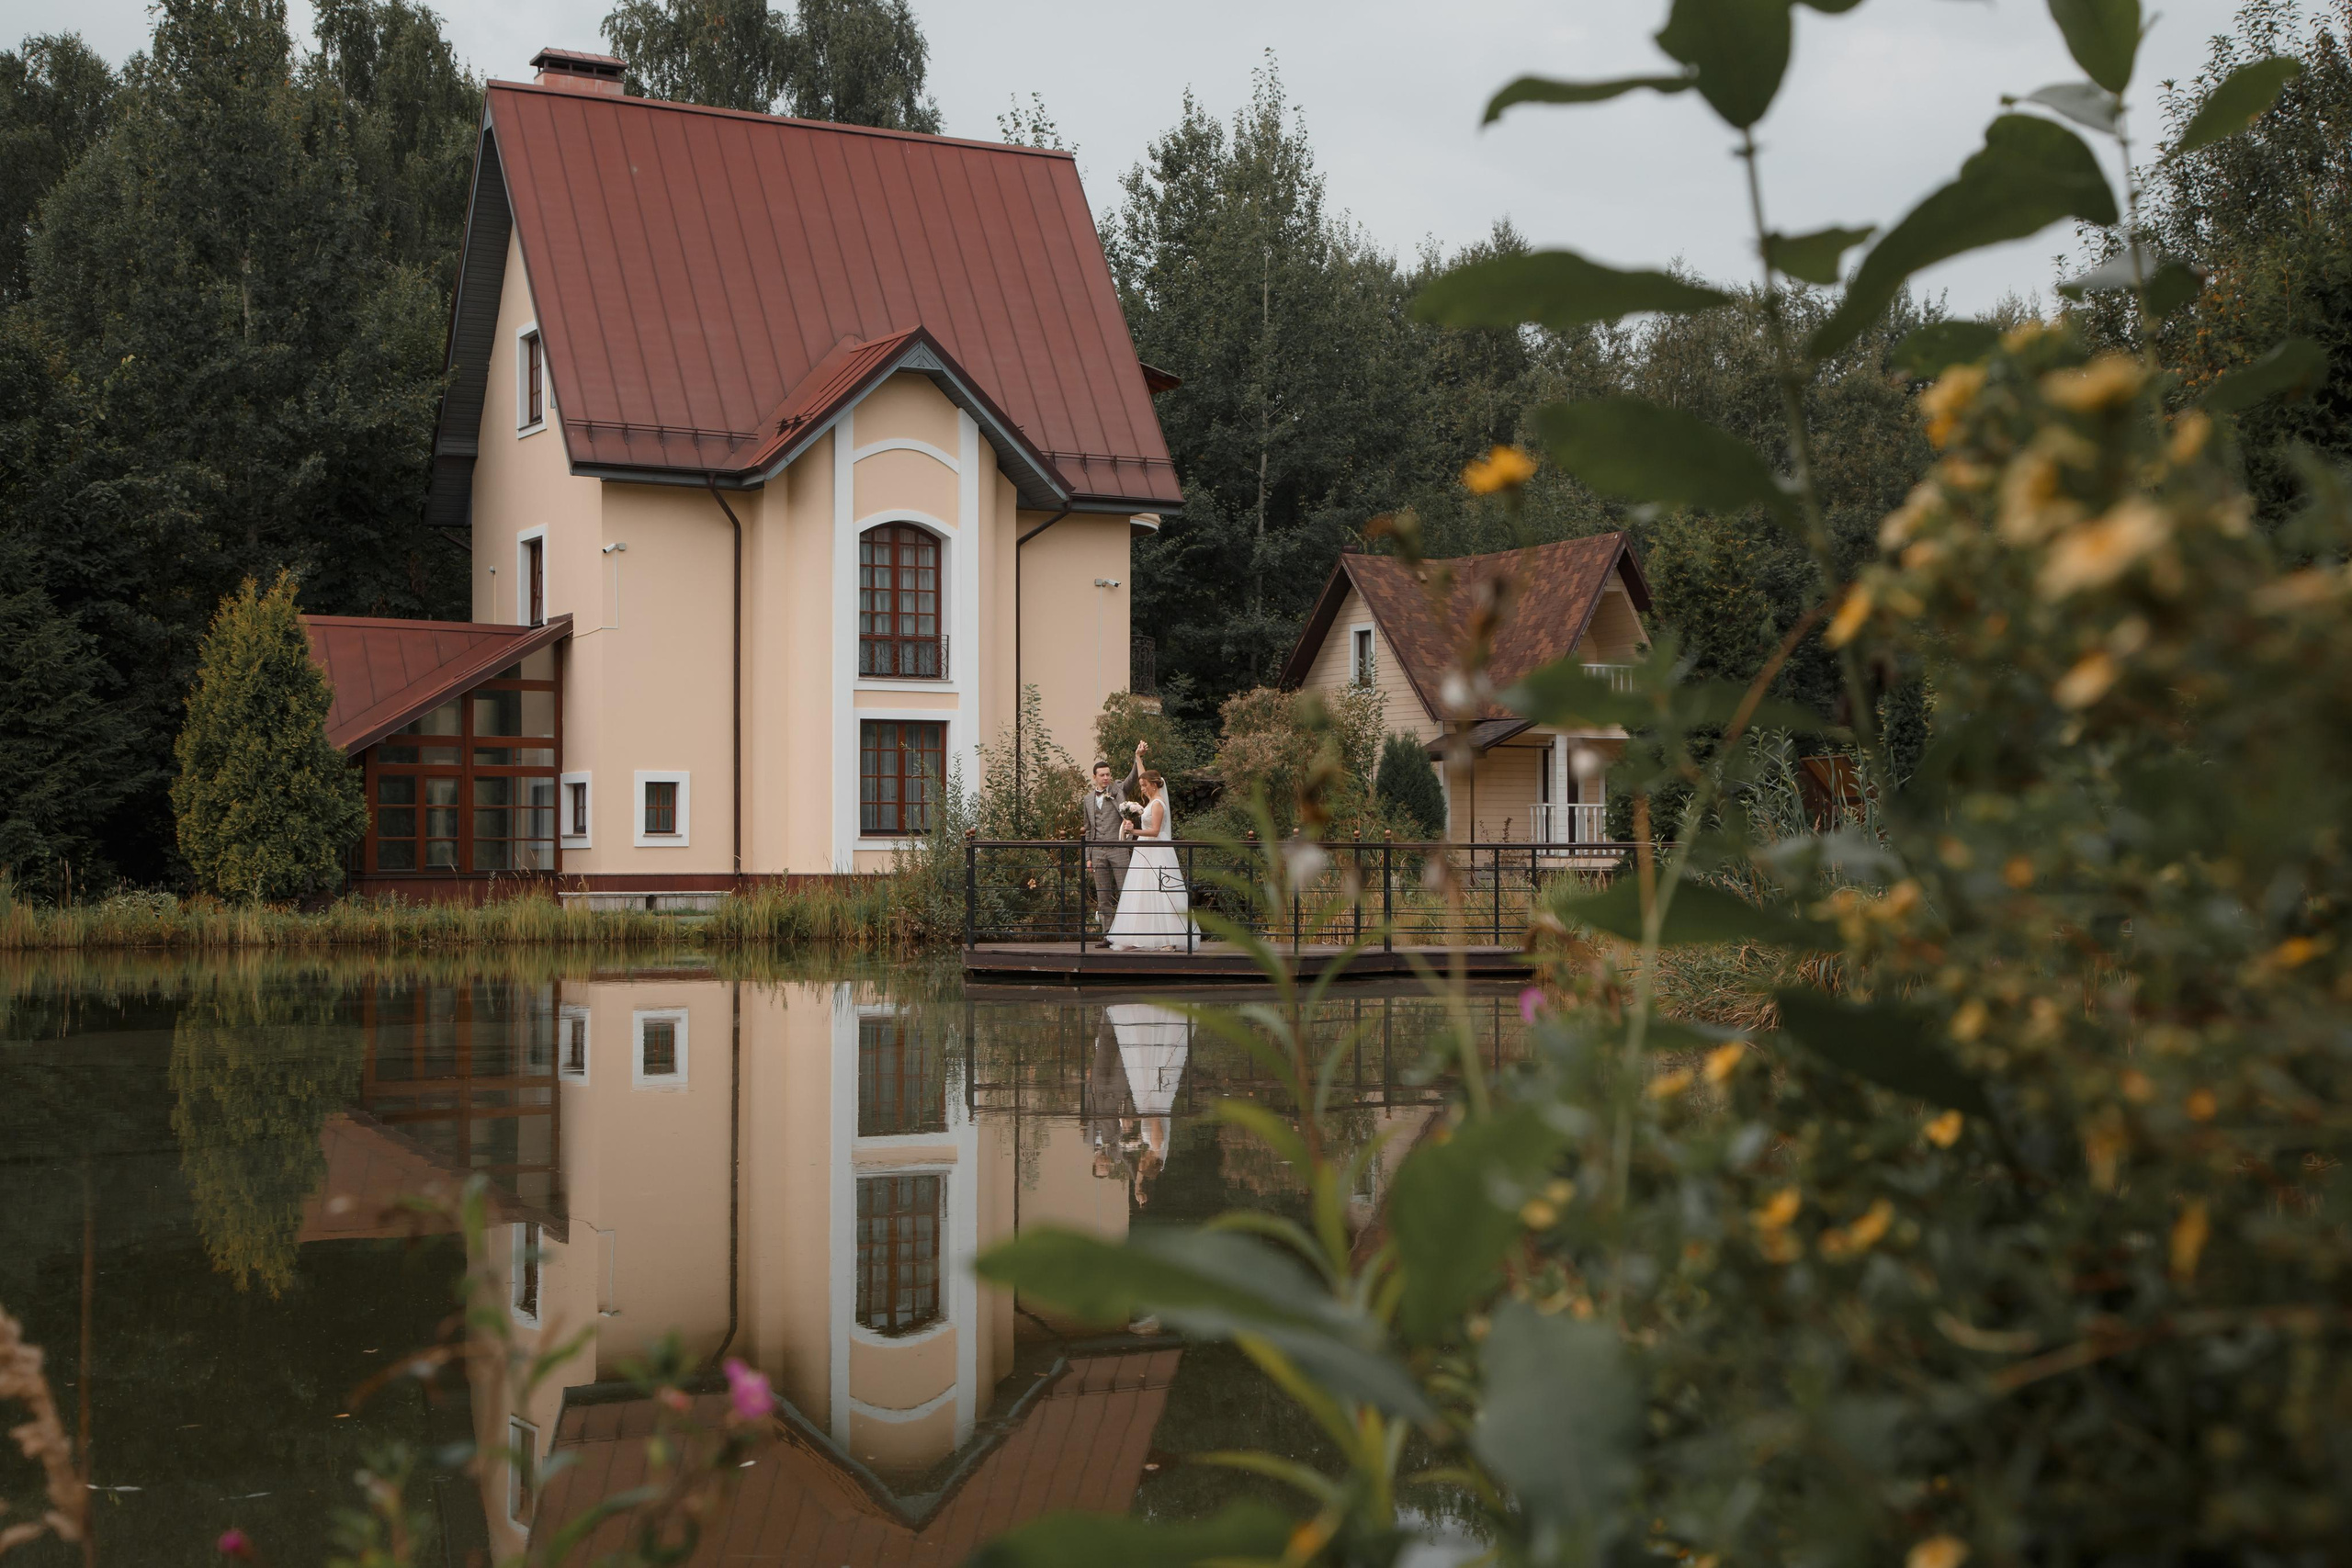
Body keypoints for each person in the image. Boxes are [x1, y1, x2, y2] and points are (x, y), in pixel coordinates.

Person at [1105, 770, 1191, 950]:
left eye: (1145, 785)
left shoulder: (1158, 804)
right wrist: (1138, 757)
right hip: (1145, 850)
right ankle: (1139, 936)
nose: (1142, 789)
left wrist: (1133, 832)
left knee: (1161, 892)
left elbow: (1155, 831)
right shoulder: (1151, 802)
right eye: (1141, 785)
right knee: (1143, 892)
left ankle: (1169, 938)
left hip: (1156, 850)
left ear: (1154, 784)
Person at [1080, 741, 1145, 931]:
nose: (1106, 778)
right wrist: (1088, 858)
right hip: (1097, 851)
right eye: (1102, 775)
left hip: (1118, 848)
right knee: (1103, 896)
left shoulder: (1117, 790)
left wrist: (1137, 757)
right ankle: (1107, 934)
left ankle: (1128, 932)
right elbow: (1089, 829)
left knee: (1126, 891)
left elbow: (1132, 779)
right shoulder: (1087, 800)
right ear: (1095, 777)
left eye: (1108, 774)